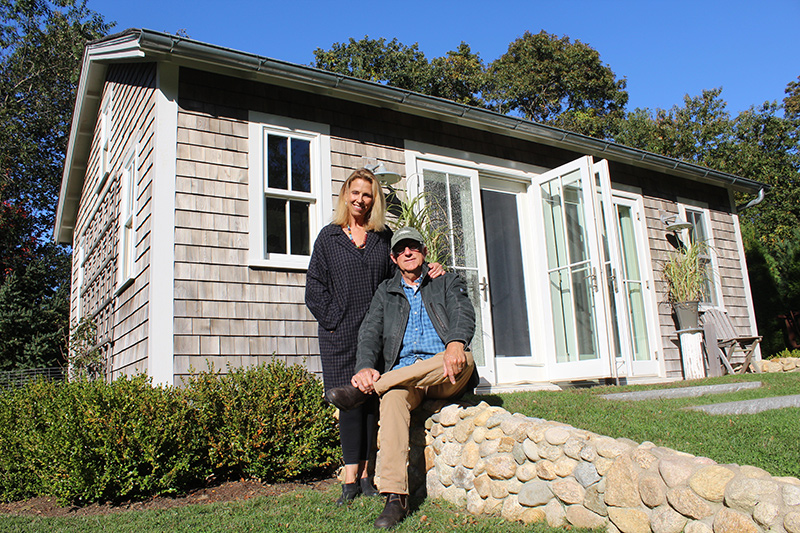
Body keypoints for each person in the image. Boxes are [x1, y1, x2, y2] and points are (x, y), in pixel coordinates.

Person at [305, 170, 443, 506]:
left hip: (376, 336)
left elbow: (404, 270)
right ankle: (349, 479)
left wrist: (431, 269)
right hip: (339, 336)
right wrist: (335, 320)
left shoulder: (383, 238)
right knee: (350, 404)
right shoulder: (328, 238)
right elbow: (314, 288)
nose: (360, 200)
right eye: (355, 193)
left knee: (370, 401)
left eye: (367, 195)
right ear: (345, 195)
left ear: (374, 200)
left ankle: (367, 476)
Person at [325, 227, 476, 529]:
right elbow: (370, 332)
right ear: (393, 258)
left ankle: (371, 389)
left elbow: (463, 311)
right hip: (407, 380)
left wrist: (456, 342)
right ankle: (395, 498)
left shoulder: (445, 281)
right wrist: (364, 367)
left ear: (423, 251)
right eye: (400, 249)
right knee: (393, 398)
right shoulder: (386, 291)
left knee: (464, 359)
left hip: (444, 369)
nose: (408, 252)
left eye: (413, 247)